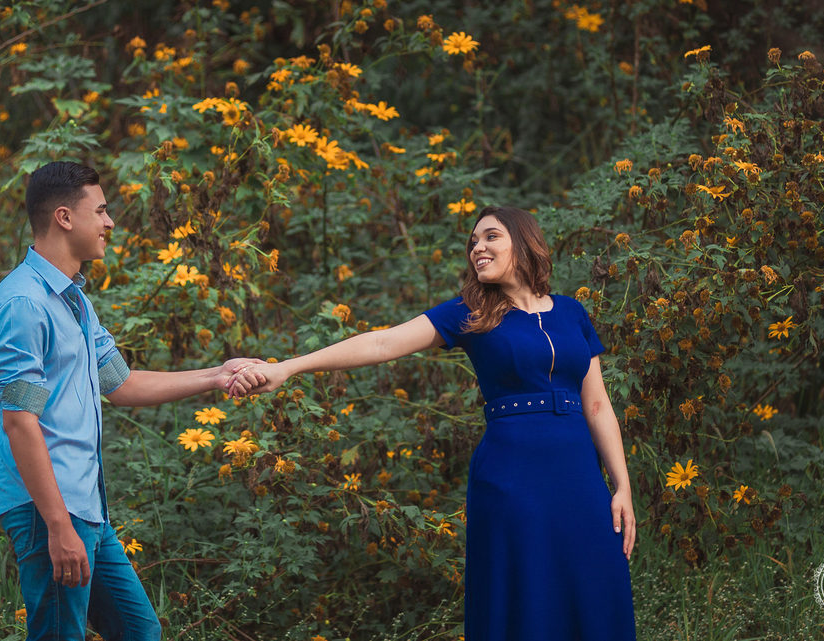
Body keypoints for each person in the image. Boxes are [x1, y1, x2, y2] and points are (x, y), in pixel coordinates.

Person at [227, 206, 638, 640]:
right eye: (473, 242)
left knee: (595, 584)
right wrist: (287, 367)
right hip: (512, 477)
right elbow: (383, 343)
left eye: (491, 237)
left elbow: (597, 406)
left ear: (524, 241)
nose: (478, 248)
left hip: (579, 477)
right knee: (525, 592)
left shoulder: (573, 313)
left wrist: (622, 486)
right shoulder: (470, 312)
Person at [0, 161, 261, 640]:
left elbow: (121, 384)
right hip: (48, 509)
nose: (110, 222)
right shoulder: (24, 305)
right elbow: (20, 422)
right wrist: (57, 526)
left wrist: (216, 375)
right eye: (101, 211)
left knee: (140, 632)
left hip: (86, 506)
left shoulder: (73, 300)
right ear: (64, 217)